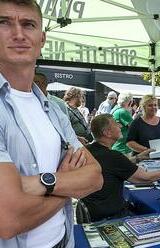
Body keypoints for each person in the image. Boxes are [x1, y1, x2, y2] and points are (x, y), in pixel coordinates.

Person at [0, 1, 103, 247]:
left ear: (42, 39)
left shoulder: (53, 109)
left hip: (63, 240)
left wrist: (41, 182)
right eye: (4, 23)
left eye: (28, 24)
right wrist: (68, 186)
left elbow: (96, 177)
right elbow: (9, 220)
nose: (18, 34)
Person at [82, 114, 160, 222]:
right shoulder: (112, 156)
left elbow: (113, 166)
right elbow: (146, 178)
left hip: (92, 211)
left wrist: (138, 157)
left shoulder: (88, 150)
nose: (120, 126)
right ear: (107, 133)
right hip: (111, 216)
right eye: (116, 124)